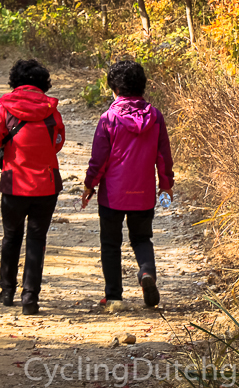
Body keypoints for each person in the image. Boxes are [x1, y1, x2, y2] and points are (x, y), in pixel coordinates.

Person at [82, 60, 174, 308]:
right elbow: (163, 156)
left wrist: (89, 185)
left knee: (110, 244)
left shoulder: (109, 118)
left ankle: (114, 296)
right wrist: (166, 185)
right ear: (142, 86)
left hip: (112, 195)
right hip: (143, 193)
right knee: (142, 239)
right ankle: (146, 273)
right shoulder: (155, 117)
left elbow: (99, 160)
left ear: (114, 89)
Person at [0, 58, 65, 315]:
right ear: (44, 83)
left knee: (11, 237)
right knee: (37, 239)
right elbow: (58, 143)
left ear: (15, 81)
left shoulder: (4, 108)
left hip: (14, 183)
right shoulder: (51, 110)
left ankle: (7, 291)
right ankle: (30, 297)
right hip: (46, 185)